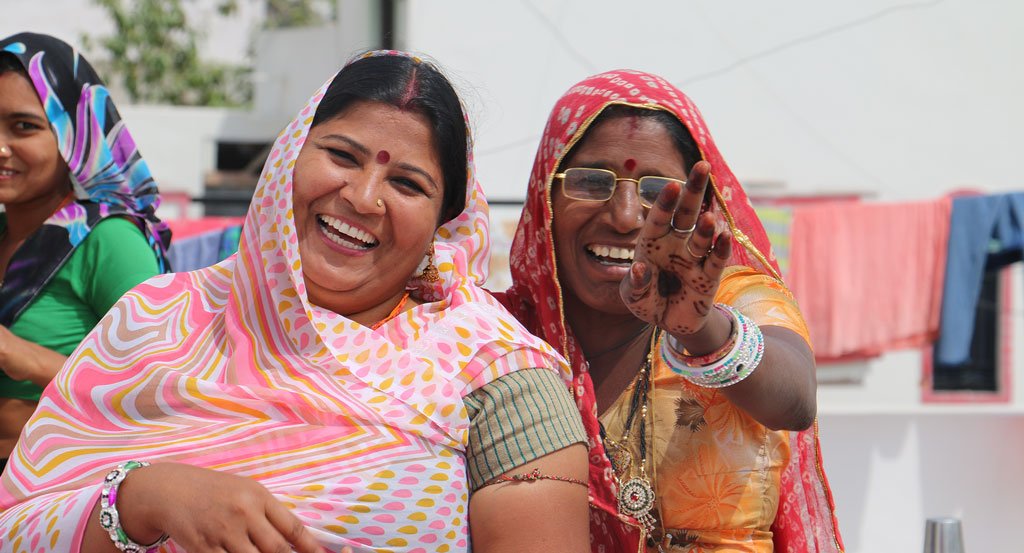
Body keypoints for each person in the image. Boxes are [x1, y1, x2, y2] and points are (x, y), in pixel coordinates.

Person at [0, 51, 590, 553]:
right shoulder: (155, 317)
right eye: (341, 155)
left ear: (444, 220)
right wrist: (141, 499)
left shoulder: (501, 374)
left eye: (408, 184)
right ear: (288, 158)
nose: (362, 198)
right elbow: (13, 526)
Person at [497, 70, 844, 552]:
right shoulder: (499, 335)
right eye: (591, 182)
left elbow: (796, 400)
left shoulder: (732, 303)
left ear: (700, 206)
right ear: (545, 196)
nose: (623, 217)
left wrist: (704, 331)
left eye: (658, 191)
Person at [0, 33, 171, 471]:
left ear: (73, 134)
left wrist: (27, 358)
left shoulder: (107, 240)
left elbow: (161, 389)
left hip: (52, 489)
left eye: (23, 127)